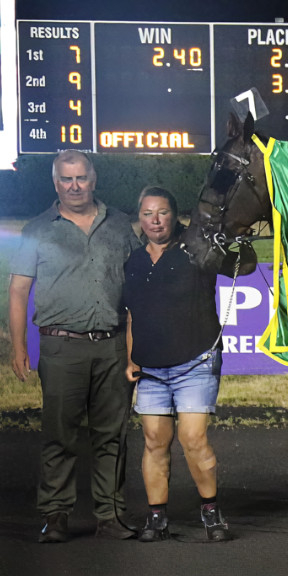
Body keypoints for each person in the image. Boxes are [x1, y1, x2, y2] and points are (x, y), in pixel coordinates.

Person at [8, 150, 141, 543]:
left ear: (93, 178)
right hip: (61, 347)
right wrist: (19, 349)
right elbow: (18, 291)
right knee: (59, 434)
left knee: (111, 436)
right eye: (66, 179)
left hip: (112, 345)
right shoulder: (37, 229)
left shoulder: (119, 224)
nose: (75, 186)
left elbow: (138, 284)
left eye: (81, 177)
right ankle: (56, 514)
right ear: (55, 183)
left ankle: (110, 515)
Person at [123, 186, 254, 542]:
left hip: (195, 361)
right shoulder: (134, 261)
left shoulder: (195, 251)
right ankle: (157, 519)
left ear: (174, 215)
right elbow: (133, 315)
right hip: (151, 368)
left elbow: (245, 266)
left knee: (193, 438)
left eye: (162, 212)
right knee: (154, 441)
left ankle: (211, 513)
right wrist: (131, 358)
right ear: (140, 218)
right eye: (148, 213)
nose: (155, 220)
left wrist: (238, 241)